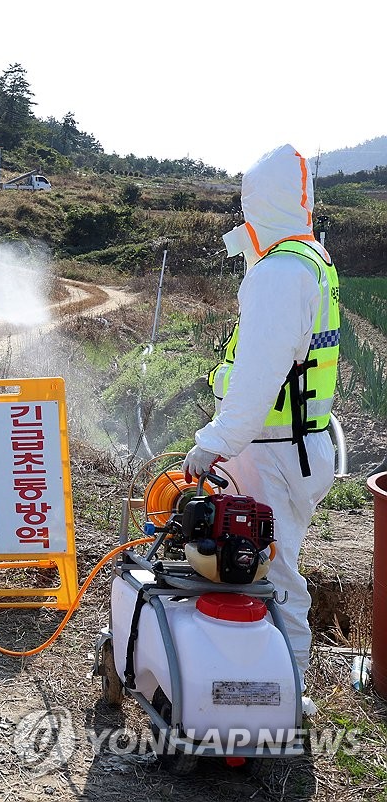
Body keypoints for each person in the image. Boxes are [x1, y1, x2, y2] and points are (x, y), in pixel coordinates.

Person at [183, 144, 338, 713]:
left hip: (271, 452)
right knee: (264, 564)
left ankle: (286, 698)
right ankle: (258, 684)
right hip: (292, 445)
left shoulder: (278, 274)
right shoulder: (310, 260)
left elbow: (258, 380)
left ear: (258, 204)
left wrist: (213, 444)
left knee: (276, 575)